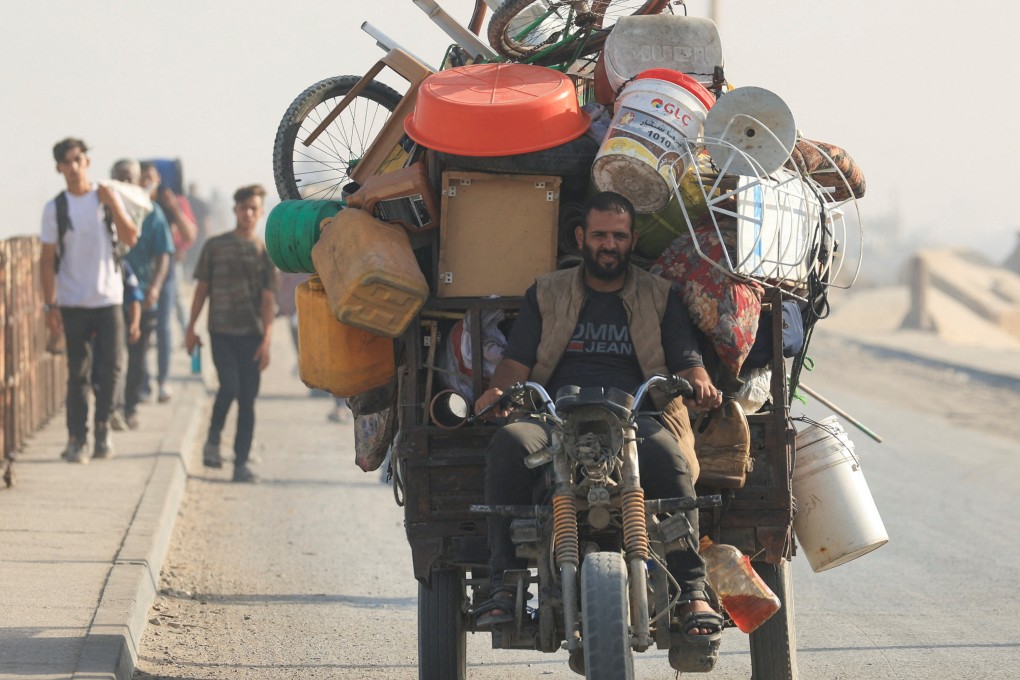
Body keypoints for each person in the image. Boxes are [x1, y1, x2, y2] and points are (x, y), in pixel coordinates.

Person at [471, 191, 725, 668]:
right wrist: (497, 394)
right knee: (508, 443)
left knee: (670, 459)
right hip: (553, 418)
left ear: (631, 241)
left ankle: (691, 589)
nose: (610, 244)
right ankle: (503, 583)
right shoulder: (546, 291)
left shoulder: (659, 294)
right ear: (581, 237)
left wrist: (700, 386)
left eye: (620, 236)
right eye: (601, 235)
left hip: (635, 420)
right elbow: (517, 362)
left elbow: (687, 362)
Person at [40, 137, 139, 463]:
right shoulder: (56, 208)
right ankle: (77, 438)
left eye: (78, 159)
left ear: (87, 162)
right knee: (78, 373)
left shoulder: (106, 196)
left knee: (111, 369)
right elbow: (47, 258)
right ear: (58, 168)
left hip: (108, 298)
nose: (73, 166)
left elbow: (130, 238)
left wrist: (111, 202)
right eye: (66, 161)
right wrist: (49, 304)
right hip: (73, 301)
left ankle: (102, 429)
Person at [185, 185, 278, 483]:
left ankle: (240, 462)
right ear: (235, 209)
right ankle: (213, 441)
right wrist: (190, 329)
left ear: (261, 212)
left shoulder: (265, 252)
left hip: (251, 334)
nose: (248, 213)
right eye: (243, 208)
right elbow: (201, 290)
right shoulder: (215, 246)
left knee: (248, 399)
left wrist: (266, 341)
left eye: (254, 208)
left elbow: (268, 301)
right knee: (229, 388)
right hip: (221, 331)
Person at [113, 159, 174, 429]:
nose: (125, 183)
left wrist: (156, 287)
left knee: (137, 357)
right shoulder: (104, 208)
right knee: (108, 357)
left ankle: (130, 407)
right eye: (120, 178)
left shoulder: (152, 212)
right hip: (109, 297)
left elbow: (163, 254)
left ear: (138, 181)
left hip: (141, 296)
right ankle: (110, 409)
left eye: (130, 178)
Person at [140, 161, 197, 403]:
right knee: (141, 330)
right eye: (143, 178)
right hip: (139, 272)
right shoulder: (133, 201)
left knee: (164, 327)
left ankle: (163, 380)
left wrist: (174, 207)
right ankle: (142, 384)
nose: (147, 182)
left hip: (167, 269)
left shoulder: (172, 200)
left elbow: (190, 235)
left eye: (151, 177)